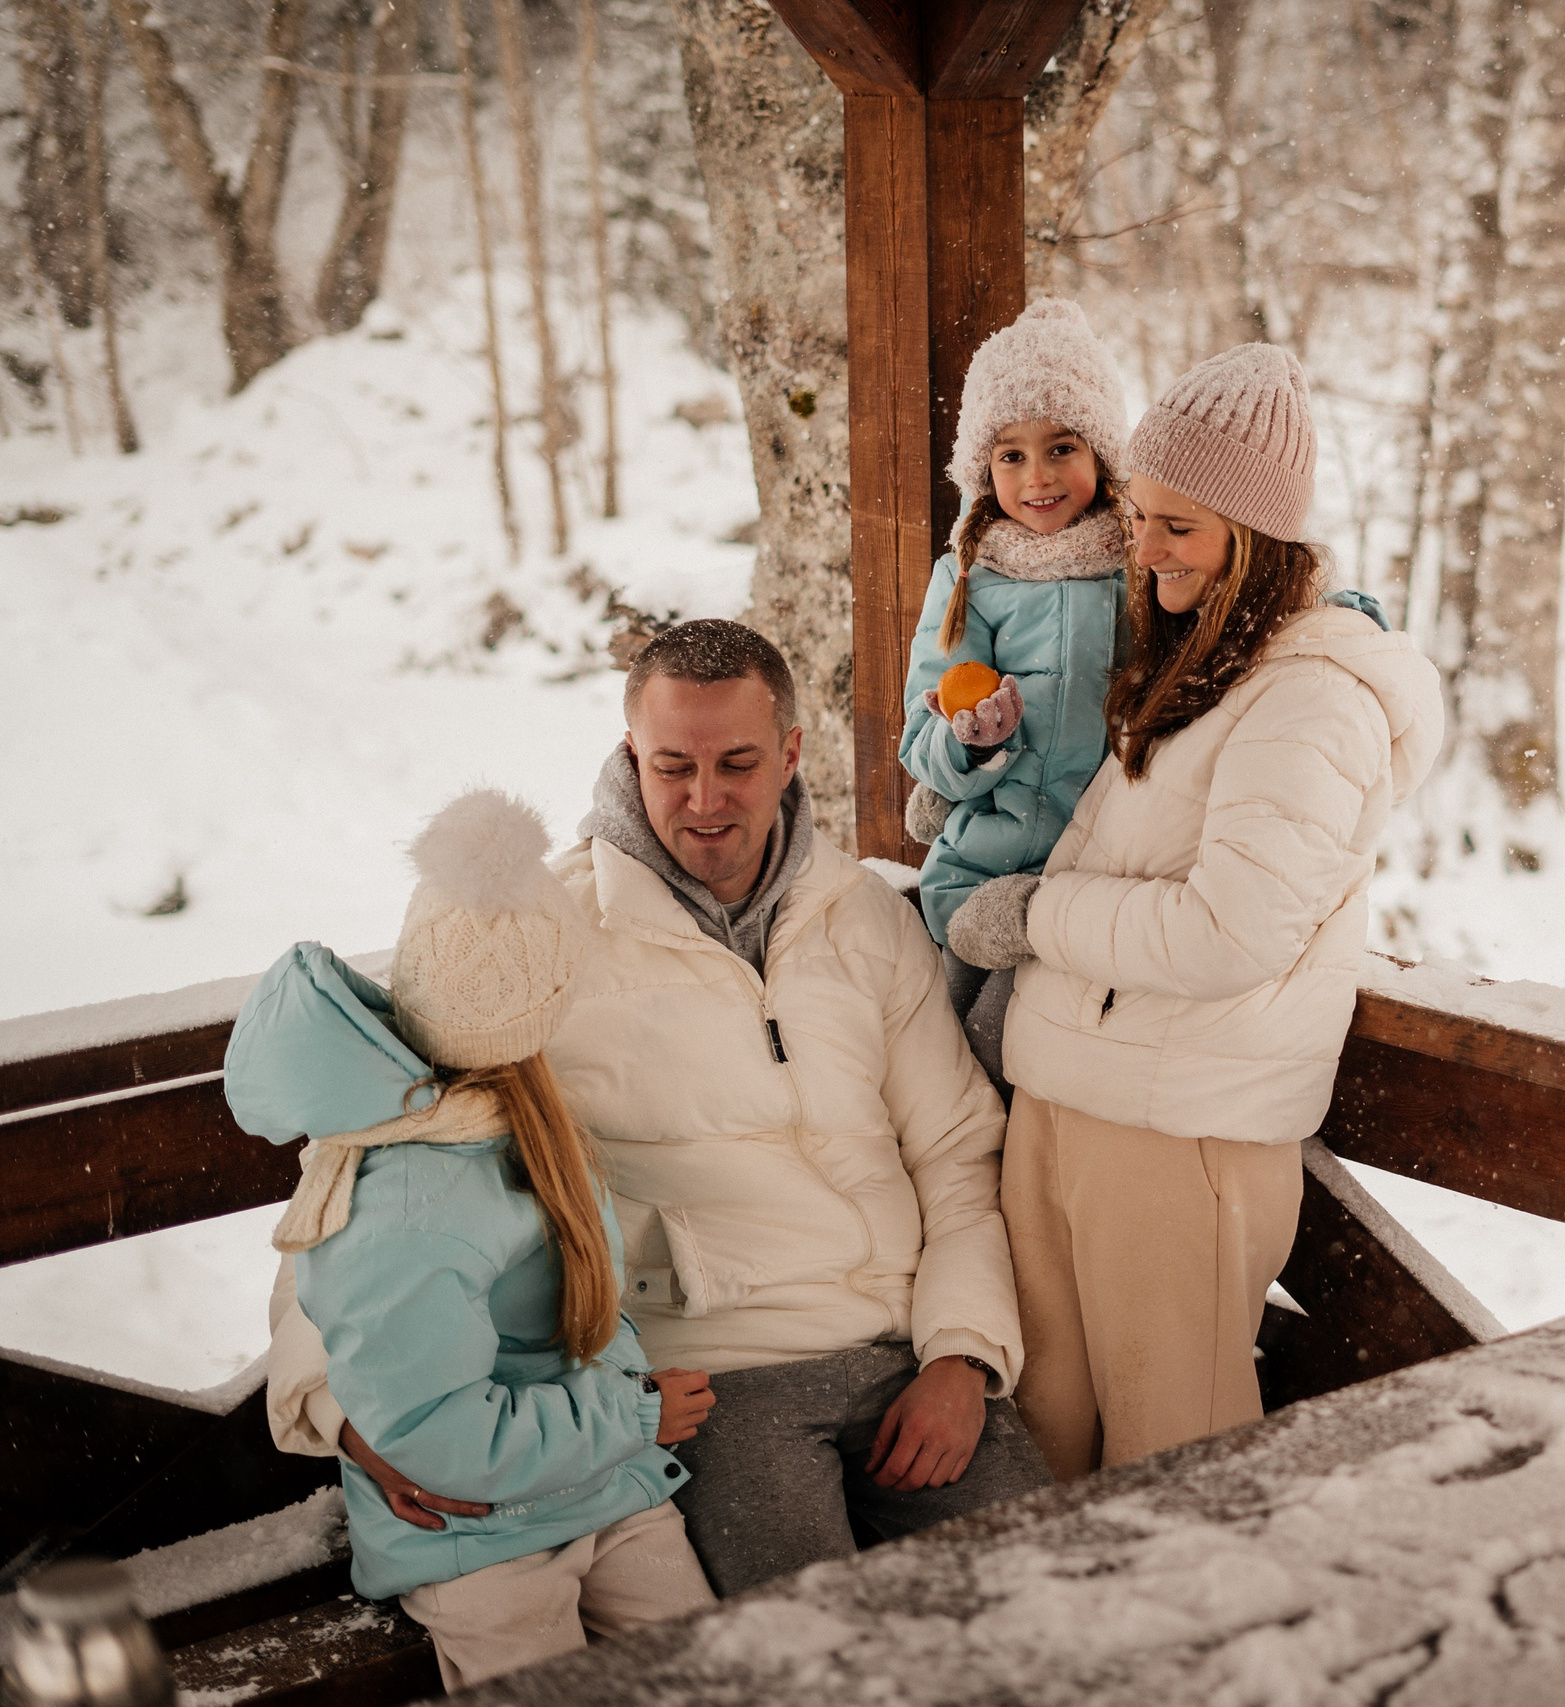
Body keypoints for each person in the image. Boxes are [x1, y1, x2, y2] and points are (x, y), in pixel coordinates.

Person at [267, 619, 1051, 1598]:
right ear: (629, 750)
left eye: (738, 763)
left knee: (1054, 1604)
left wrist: (966, 1356)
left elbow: (956, 1156)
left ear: (793, 755)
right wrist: (336, 1405)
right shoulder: (538, 937)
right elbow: (372, 1172)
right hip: (711, 1381)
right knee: (811, 1660)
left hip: (909, 1355)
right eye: (673, 764)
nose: (706, 800)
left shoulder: (861, 918)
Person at [943, 345, 1446, 1480]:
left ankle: (1186, 1661)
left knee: (1177, 1461)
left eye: (1182, 527)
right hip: (1071, 1097)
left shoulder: (1311, 698)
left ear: (1255, 539)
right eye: (1141, 518)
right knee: (1046, 1445)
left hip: (1179, 1132)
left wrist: (1035, 913)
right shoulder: (1201, 661)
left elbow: (1231, 933)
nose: (1146, 549)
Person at [227, 791, 718, 1690]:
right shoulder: (405, 1190)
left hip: (603, 1488)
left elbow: (591, 1300)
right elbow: (431, 1434)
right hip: (478, 1537)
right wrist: (634, 1414)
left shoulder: (521, 1120)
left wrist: (626, 1418)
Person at [898, 298, 1130, 1093]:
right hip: (981, 868)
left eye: (1061, 447)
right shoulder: (968, 578)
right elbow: (919, 734)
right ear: (981, 470)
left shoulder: (1135, 573)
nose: (1037, 477)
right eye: (1010, 455)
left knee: (1056, 1062)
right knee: (959, 1062)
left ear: (1100, 453)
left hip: (1096, 875)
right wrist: (972, 743)